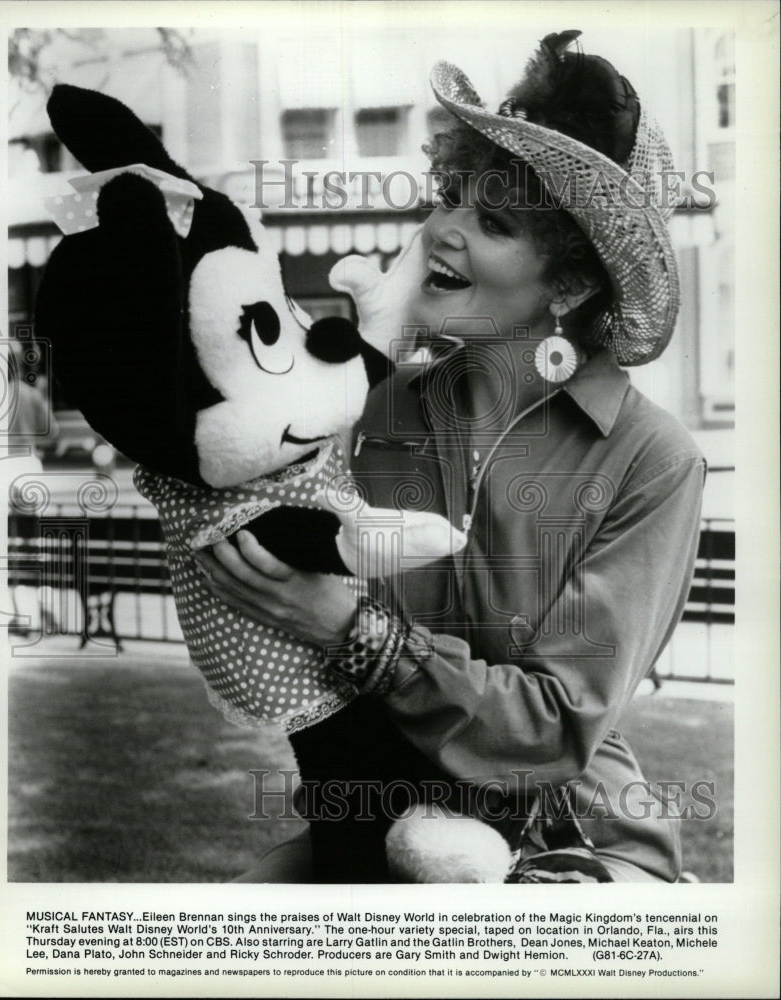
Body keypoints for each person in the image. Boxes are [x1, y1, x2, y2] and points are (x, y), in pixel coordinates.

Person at [196, 31, 705, 882]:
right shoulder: (377, 402)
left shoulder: (651, 458)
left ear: (571, 285)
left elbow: (554, 727)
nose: (442, 229)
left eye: (493, 220)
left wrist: (351, 631)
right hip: (379, 818)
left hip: (569, 843)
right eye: (453, 196)